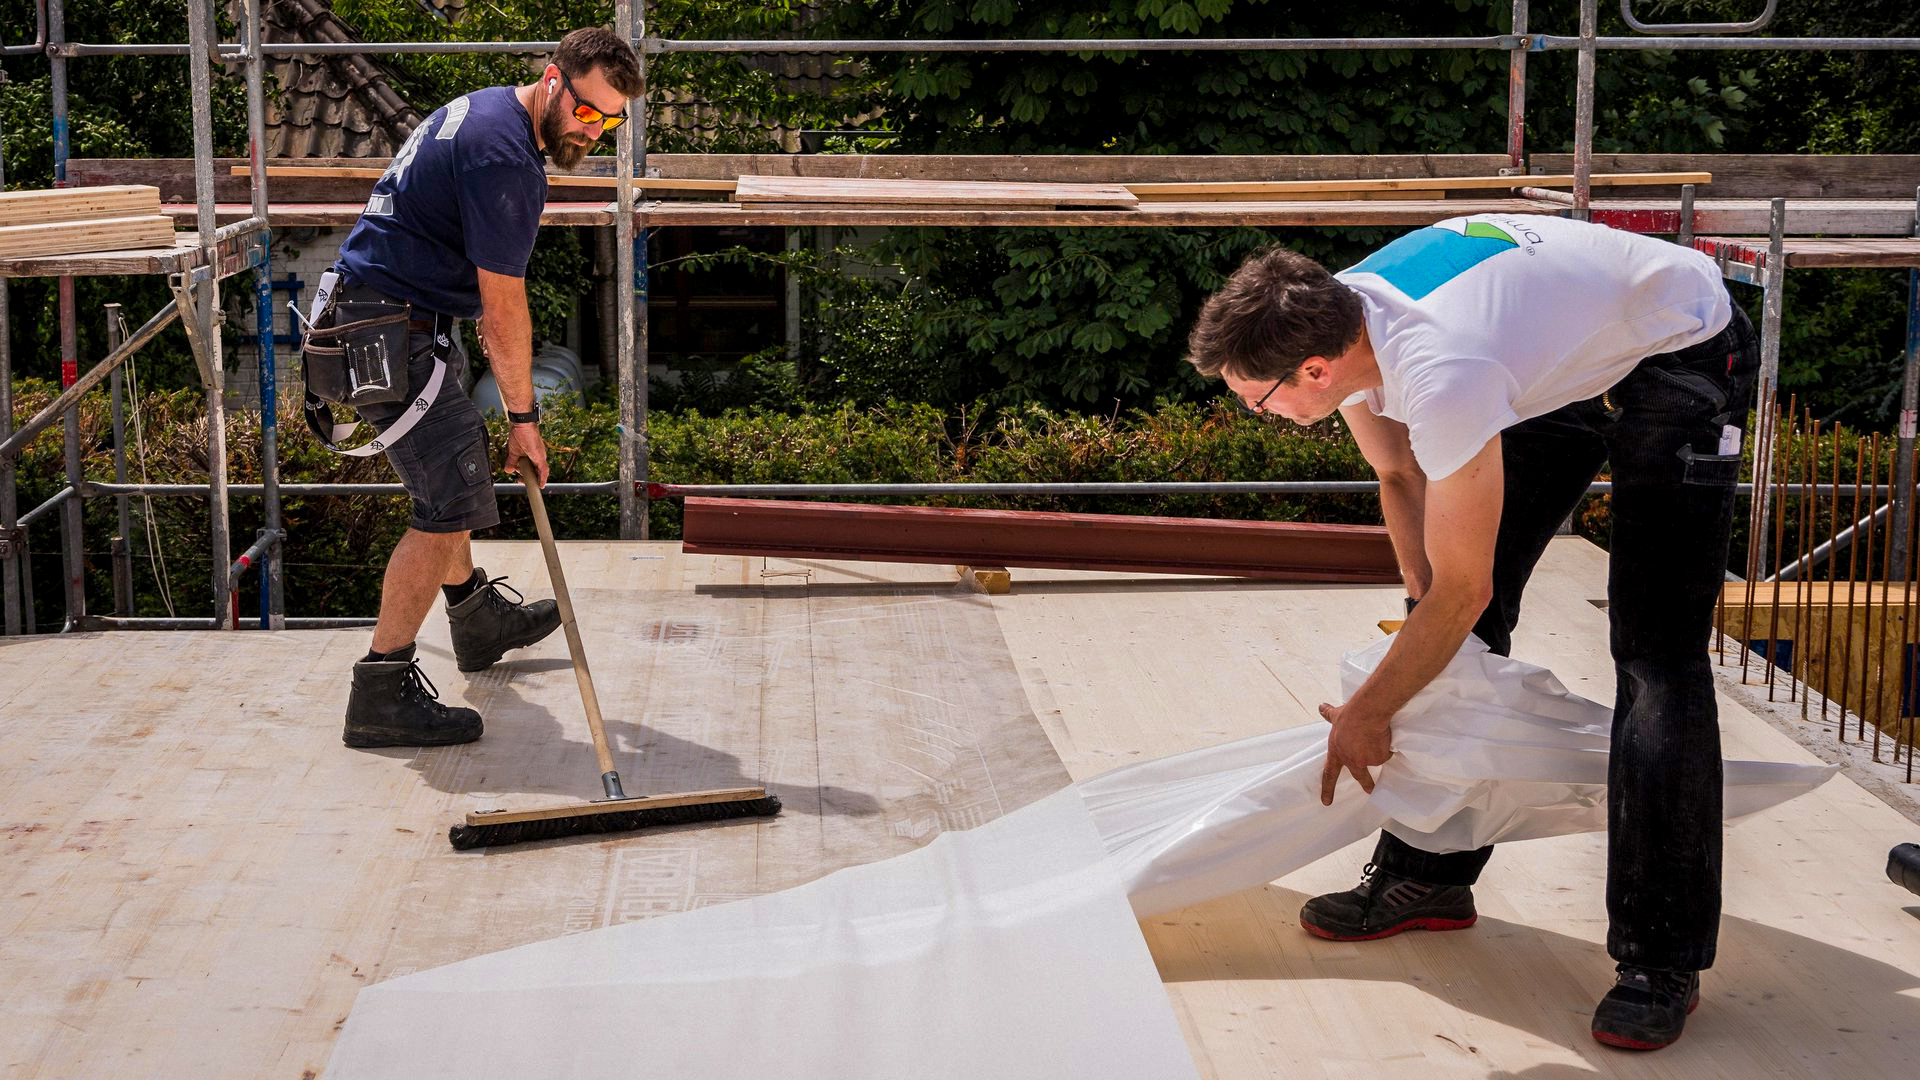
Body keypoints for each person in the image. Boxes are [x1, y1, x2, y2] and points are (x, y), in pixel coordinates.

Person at [1185, 213, 1758, 1052]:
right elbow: (1399, 473)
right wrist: (1427, 622)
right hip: (1552, 352)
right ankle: (1429, 877)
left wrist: (1372, 708)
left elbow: (1464, 587)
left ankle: (1660, 959)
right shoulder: (1343, 322)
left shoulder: (1443, 371)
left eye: (1255, 397)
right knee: (1457, 624)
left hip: (1681, 347)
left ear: (1314, 370)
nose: (1253, 410)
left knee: (1655, 653)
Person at [324, 28, 643, 749]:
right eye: (587, 111)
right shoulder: (506, 159)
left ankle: (476, 620)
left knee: (458, 475)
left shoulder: (491, 109)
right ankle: (381, 691)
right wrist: (524, 419)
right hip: (388, 328)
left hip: (392, 317)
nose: (593, 131)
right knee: (446, 506)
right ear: (554, 81)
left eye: (611, 121)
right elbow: (503, 307)